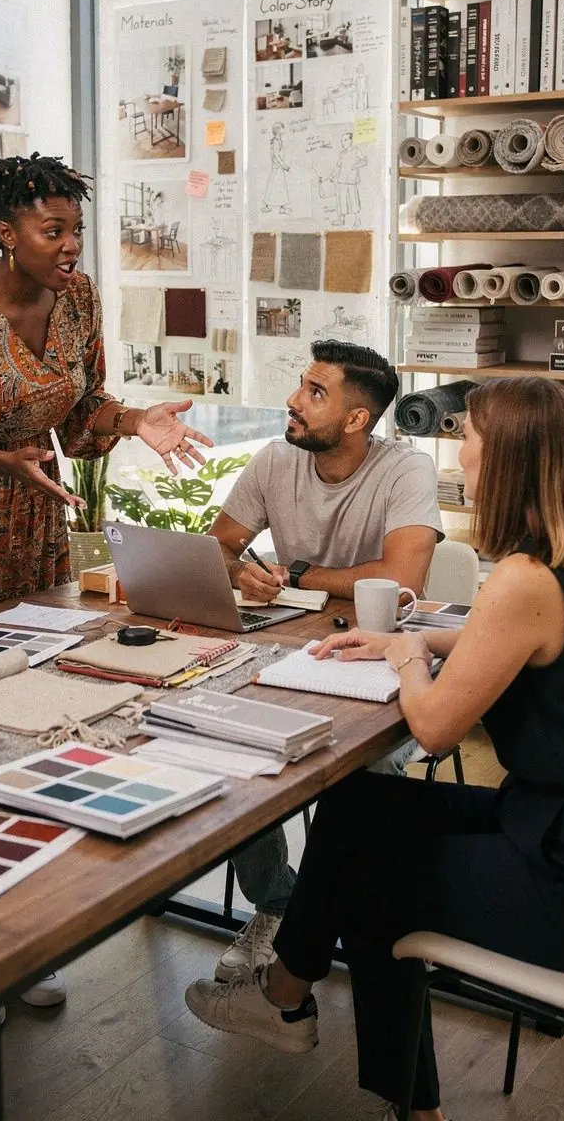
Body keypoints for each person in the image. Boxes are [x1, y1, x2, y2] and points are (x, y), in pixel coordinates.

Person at [185, 377, 564, 1121]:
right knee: (359, 801)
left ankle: (415, 1109)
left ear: (507, 460)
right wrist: (414, 636)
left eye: (471, 441)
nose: (461, 453)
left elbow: (432, 728)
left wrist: (405, 660)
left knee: (372, 883)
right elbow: (526, 640)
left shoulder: (521, 578)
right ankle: (284, 999)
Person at [0, 152, 213, 1007]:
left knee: (37, 703)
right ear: (4, 231)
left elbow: (80, 408)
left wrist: (136, 421)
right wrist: (6, 460)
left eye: (74, 229)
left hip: (29, 519)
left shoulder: (79, 298)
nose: (69, 246)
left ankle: (20, 921)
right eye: (50, 230)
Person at [207, 341, 441, 984]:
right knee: (235, 750)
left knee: (360, 778)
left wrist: (303, 575)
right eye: (300, 386)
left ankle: (360, 916)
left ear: (357, 419)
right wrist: (243, 572)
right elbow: (216, 547)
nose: (293, 400)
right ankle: (281, 906)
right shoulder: (275, 459)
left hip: (384, 656)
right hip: (287, 646)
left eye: (315, 391)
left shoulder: (405, 470)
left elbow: (403, 578)